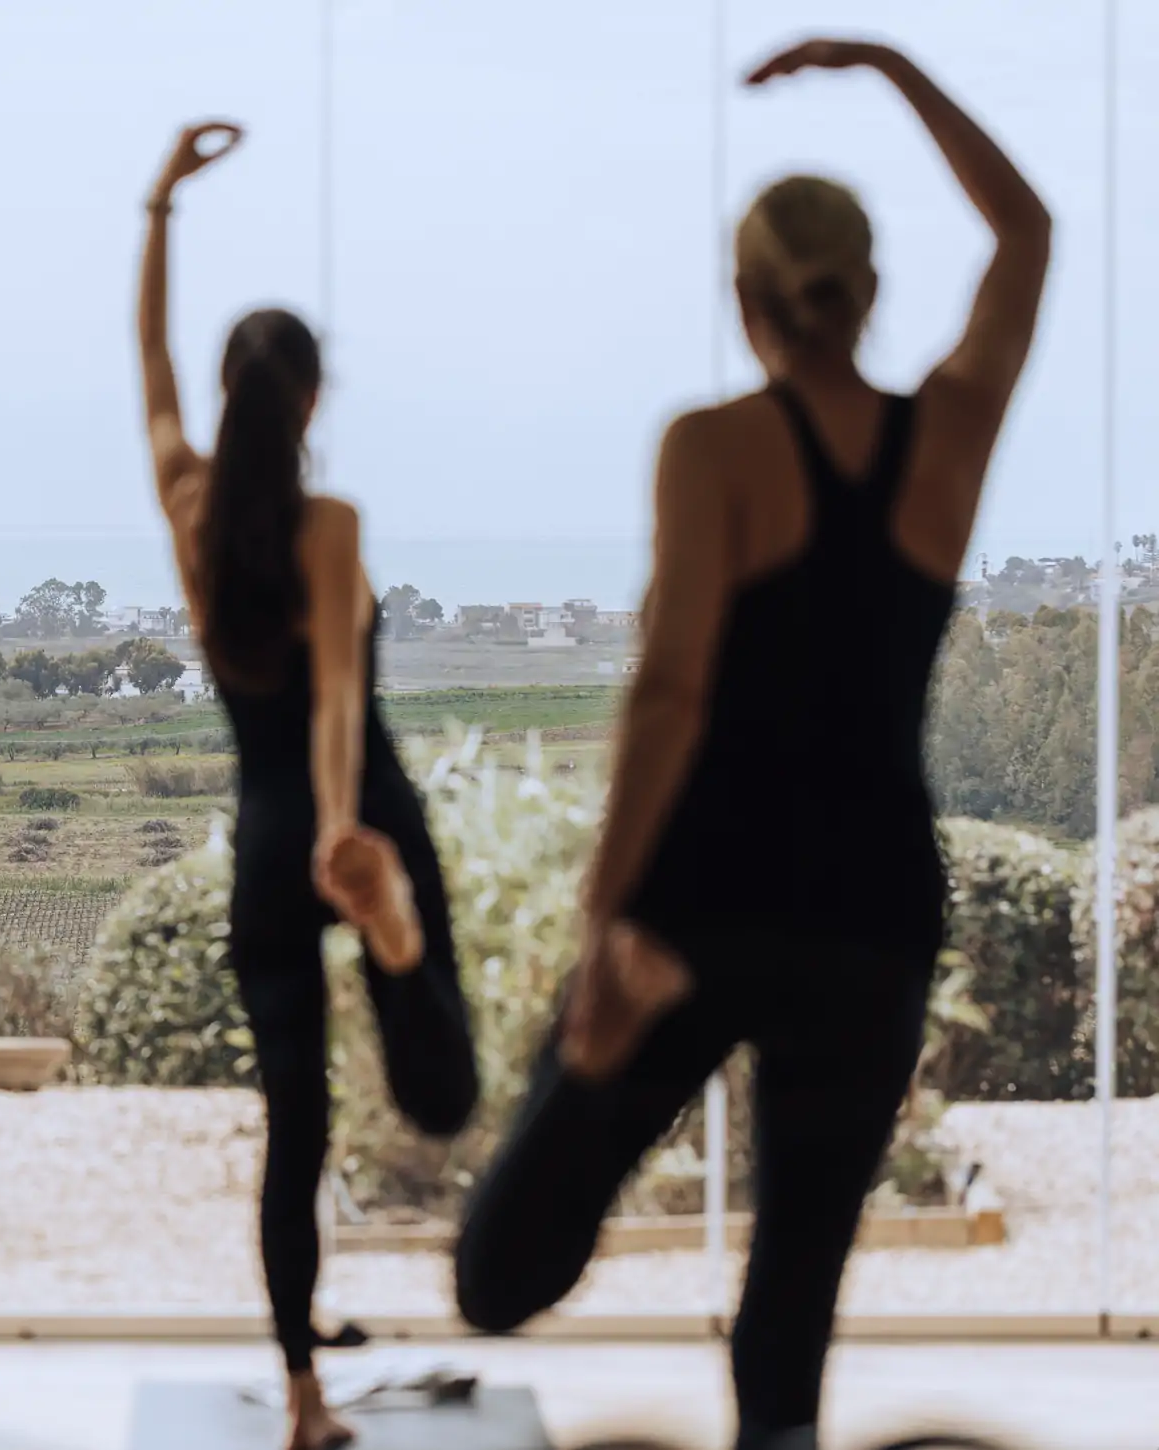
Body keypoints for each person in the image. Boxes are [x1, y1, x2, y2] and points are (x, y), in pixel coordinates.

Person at [454, 38, 1050, 1450]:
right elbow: (1025, 229)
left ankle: (594, 1079)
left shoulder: (712, 445)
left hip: (699, 902)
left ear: (742, 300)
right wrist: (888, 62)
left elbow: (669, 695)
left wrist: (605, 921)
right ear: (870, 292)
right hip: (872, 910)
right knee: (791, 1306)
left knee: (497, 1272)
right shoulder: (949, 433)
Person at [138, 120, 479, 1450]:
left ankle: (298, 1395)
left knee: (296, 1122)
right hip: (358, 816)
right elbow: (340, 688)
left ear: (230, 398)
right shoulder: (327, 524)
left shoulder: (185, 504)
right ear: (315, 401)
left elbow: (147, 370)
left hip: (263, 830)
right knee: (435, 1082)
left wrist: (159, 207)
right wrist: (351, 835)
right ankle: (392, 939)